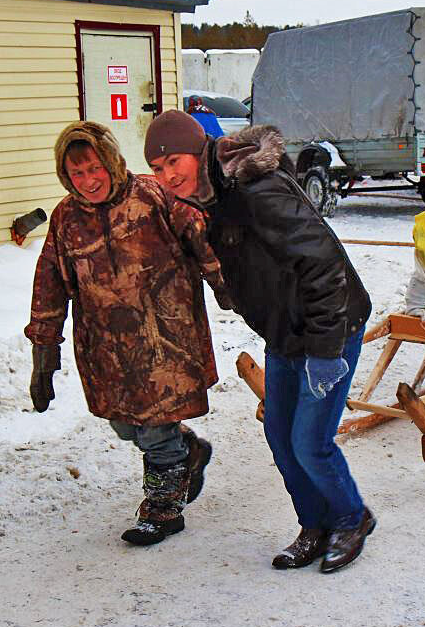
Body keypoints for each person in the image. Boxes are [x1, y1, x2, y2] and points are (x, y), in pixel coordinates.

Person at [144, 109, 375, 573]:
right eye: (157, 168)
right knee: (281, 439)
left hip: (328, 327)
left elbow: (323, 264)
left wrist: (327, 352)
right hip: (285, 331)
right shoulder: (214, 197)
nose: (168, 175)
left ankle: (352, 518)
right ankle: (313, 525)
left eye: (175, 162)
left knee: (310, 442)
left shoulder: (255, 191)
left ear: (200, 152)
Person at [26, 120, 233, 545]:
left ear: (111, 162)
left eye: (94, 168)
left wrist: (227, 285)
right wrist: (44, 351)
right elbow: (49, 280)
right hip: (105, 348)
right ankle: (187, 452)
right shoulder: (66, 218)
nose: (88, 181)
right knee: (124, 425)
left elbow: (200, 237)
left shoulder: (152, 195)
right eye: (77, 174)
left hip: (164, 338)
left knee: (155, 425)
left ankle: (162, 507)